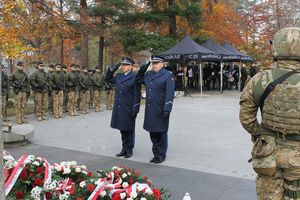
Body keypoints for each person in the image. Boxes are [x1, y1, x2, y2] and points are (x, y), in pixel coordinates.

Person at [239, 27, 300, 200]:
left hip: (268, 152)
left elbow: (246, 116)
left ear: (276, 49)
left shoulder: (260, 79)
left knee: (268, 196)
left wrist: (260, 134)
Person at [135, 55, 175, 164]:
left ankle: (161, 154)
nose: (155, 65)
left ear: (163, 64)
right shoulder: (148, 75)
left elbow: (170, 93)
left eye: (157, 63)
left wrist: (167, 107)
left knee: (161, 132)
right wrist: (142, 69)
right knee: (152, 132)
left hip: (161, 109)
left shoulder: (167, 75)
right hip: (150, 109)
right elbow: (138, 80)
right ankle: (155, 153)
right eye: (153, 63)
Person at [105, 57, 140, 158]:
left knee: (129, 129)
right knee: (122, 129)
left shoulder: (134, 77)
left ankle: (129, 150)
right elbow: (107, 79)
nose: (123, 67)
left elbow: (137, 94)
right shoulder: (119, 76)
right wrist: (113, 69)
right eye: (122, 65)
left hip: (129, 108)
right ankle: (124, 148)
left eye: (126, 65)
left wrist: (135, 109)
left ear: (131, 66)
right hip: (120, 107)